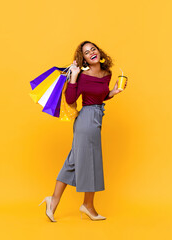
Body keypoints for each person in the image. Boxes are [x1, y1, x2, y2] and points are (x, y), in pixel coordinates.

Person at [39, 40, 128, 222]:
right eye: (87, 52)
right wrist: (73, 76)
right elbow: (71, 100)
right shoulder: (83, 76)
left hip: (96, 117)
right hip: (86, 120)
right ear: (84, 59)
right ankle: (87, 206)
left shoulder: (107, 73)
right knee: (89, 161)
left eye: (93, 49)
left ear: (99, 52)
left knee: (75, 160)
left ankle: (54, 201)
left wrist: (114, 92)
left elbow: (100, 96)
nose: (91, 53)